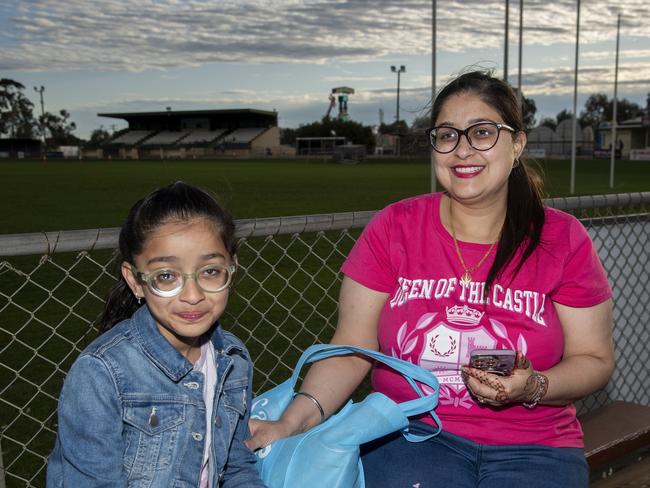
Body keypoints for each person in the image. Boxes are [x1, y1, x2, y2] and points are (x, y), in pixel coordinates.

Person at [246, 70, 614, 487]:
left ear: (517, 144)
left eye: (482, 132)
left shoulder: (561, 237)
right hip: (410, 435)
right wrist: (291, 422)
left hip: (536, 445)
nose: (462, 150)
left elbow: (594, 360)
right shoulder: (394, 228)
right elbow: (353, 347)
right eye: (447, 135)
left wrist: (533, 386)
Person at [47, 182, 266, 487]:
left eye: (210, 271)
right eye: (166, 276)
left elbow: (236, 467)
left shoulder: (233, 359)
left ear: (232, 268)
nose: (192, 295)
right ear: (135, 281)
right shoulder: (100, 374)